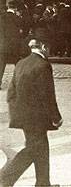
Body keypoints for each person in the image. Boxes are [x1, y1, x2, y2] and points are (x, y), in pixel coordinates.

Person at [0, 37, 62, 187]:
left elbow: (11, 93)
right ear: (44, 47)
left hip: (23, 116)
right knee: (34, 149)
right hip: (37, 117)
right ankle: (5, 178)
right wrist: (56, 116)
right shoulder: (43, 65)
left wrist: (17, 113)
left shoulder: (21, 63)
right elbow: (47, 94)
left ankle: (43, 183)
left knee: (40, 147)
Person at [0, 1, 26, 90]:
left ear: (8, 7)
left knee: (1, 65)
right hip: (14, 46)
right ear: (15, 9)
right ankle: (21, 83)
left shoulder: (1, 17)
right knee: (18, 65)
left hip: (3, 45)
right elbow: (23, 28)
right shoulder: (17, 18)